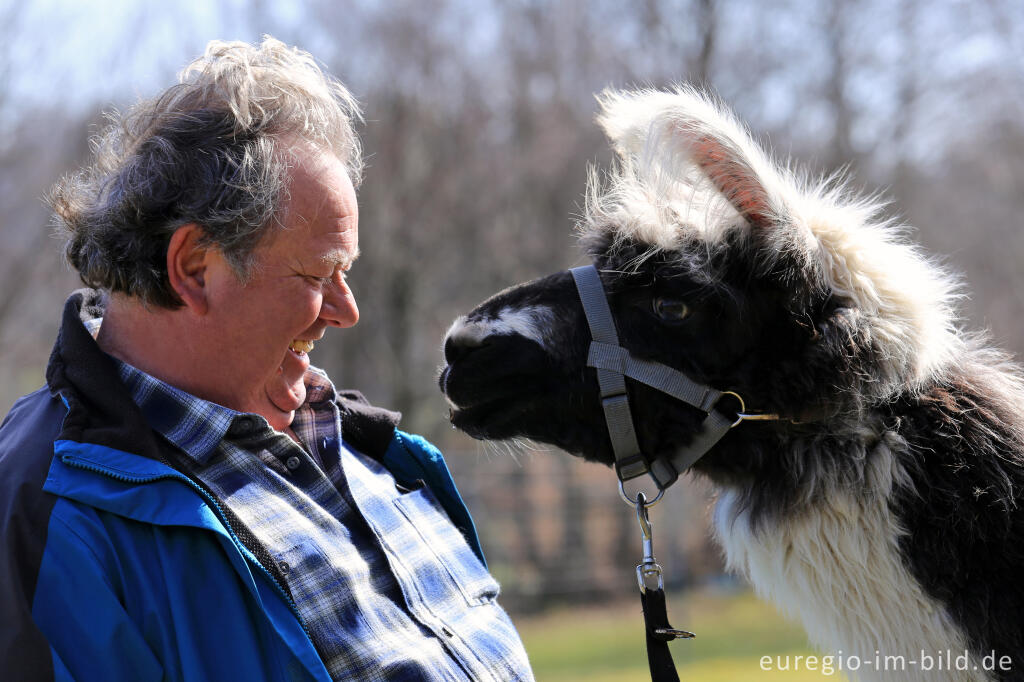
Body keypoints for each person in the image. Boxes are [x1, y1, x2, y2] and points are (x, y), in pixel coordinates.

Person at [0, 37, 534, 682]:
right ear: (195, 268)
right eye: (320, 273)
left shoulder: (385, 460)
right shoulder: (47, 513)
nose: (347, 310)